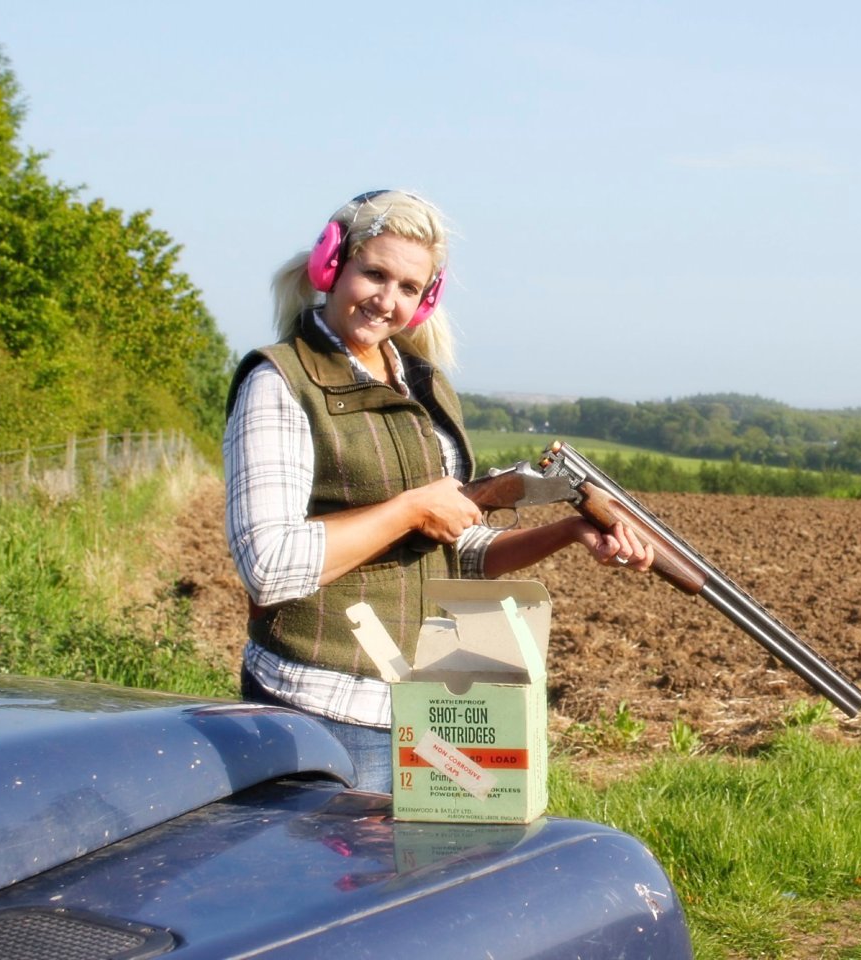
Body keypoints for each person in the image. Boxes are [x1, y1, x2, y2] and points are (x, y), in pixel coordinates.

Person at [223, 189, 652, 792]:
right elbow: (268, 567)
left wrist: (569, 531)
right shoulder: (281, 383)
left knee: (416, 883)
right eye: (373, 273)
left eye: (407, 288)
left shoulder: (422, 384)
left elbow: (459, 553)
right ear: (330, 265)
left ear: (427, 300)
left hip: (428, 707)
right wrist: (410, 507)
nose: (385, 300)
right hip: (319, 710)